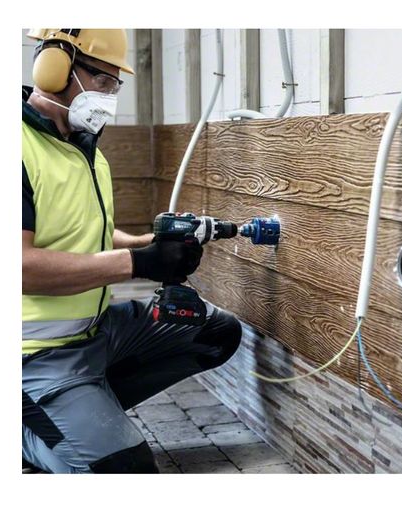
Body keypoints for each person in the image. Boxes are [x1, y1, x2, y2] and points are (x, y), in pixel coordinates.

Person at [21, 29, 241, 473]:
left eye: (114, 84)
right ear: (54, 67)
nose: (108, 96)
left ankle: (77, 412)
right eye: (102, 80)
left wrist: (146, 243)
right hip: (33, 355)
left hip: (95, 333)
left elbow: (84, 234)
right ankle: (33, 429)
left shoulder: (83, 149)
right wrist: (140, 264)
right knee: (127, 471)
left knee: (214, 333)